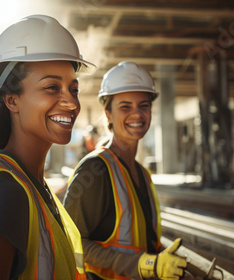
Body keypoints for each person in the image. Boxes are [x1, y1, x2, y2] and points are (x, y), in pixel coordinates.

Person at [0, 15, 96, 280]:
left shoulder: (32, 186)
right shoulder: (5, 195)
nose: (71, 103)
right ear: (12, 101)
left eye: (73, 89)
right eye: (51, 87)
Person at [63, 62, 187, 280]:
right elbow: (72, 243)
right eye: (125, 107)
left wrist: (159, 260)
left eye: (144, 105)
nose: (137, 114)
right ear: (108, 114)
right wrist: (146, 264)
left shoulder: (143, 175)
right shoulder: (95, 171)